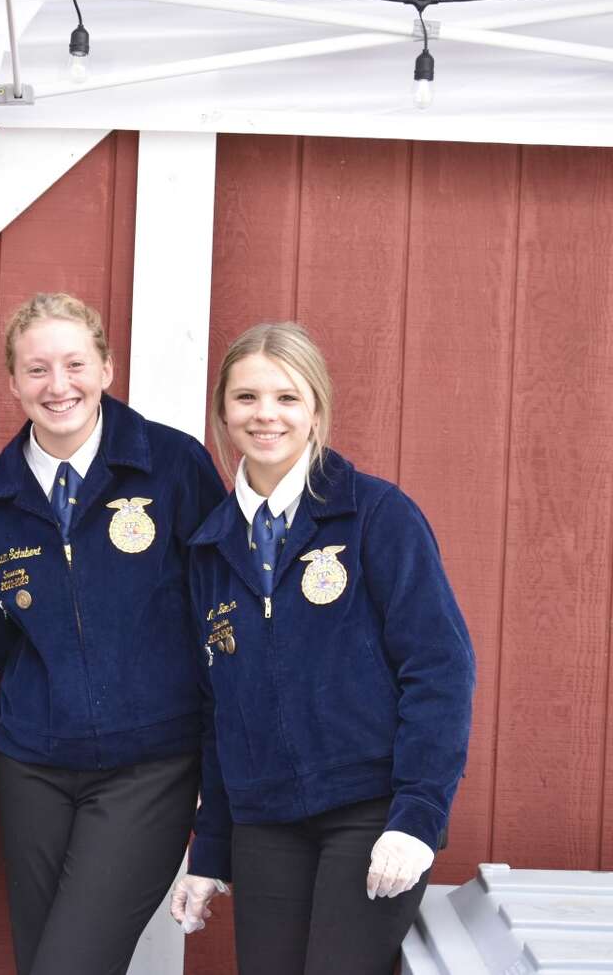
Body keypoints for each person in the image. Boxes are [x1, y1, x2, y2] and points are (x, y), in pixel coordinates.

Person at [171, 321, 475, 974]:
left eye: (287, 397)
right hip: (267, 823)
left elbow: (440, 669)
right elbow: (217, 713)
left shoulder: (376, 516)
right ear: (222, 410)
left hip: (369, 814)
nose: (265, 415)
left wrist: (417, 816)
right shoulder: (211, 549)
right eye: (247, 397)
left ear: (316, 409)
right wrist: (212, 851)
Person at [0, 292, 227, 975]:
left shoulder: (173, 468)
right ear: (13, 382)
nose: (59, 385)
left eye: (76, 363)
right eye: (38, 368)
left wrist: (215, 765)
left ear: (107, 367)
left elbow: (220, 623)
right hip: (34, 767)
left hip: (151, 766)